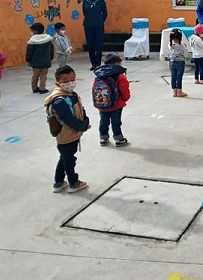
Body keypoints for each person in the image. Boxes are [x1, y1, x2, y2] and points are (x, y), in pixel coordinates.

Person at [43, 65, 90, 193]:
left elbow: (81, 110)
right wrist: (83, 126)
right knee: (69, 160)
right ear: (58, 83)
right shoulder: (59, 100)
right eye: (65, 81)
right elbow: (69, 119)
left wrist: (86, 121)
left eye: (73, 79)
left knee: (64, 158)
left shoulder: (71, 95)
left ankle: (58, 182)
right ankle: (73, 183)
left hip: (72, 134)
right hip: (66, 135)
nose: (70, 83)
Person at [94, 54, 130, 147]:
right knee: (116, 122)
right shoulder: (119, 76)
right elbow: (124, 89)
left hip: (102, 103)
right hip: (116, 105)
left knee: (103, 121)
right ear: (117, 64)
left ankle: (103, 138)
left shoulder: (99, 74)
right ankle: (119, 139)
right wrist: (125, 98)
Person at [82, 0, 107, 70]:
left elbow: (105, 13)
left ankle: (98, 64)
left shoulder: (101, 1)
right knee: (90, 45)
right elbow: (84, 12)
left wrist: (100, 20)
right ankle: (93, 63)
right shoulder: (86, 1)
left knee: (98, 45)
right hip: (88, 25)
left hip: (99, 25)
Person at [26, 23, 54, 94]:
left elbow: (29, 52)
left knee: (35, 75)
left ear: (36, 31)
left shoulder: (32, 41)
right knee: (43, 75)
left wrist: (28, 59)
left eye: (32, 31)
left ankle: (34, 88)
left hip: (35, 62)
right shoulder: (48, 39)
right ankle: (42, 88)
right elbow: (51, 50)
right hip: (45, 61)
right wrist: (50, 58)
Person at [168, 28, 188, 97]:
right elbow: (186, 55)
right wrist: (185, 48)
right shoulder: (182, 47)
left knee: (173, 77)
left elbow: (170, 53)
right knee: (179, 78)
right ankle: (179, 92)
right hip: (180, 63)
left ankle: (174, 92)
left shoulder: (170, 45)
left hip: (173, 62)